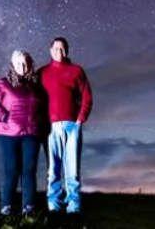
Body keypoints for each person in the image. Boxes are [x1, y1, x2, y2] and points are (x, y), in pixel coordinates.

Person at [0, 49, 47, 217]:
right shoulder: (3, 83)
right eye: (19, 62)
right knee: (11, 170)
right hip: (8, 135)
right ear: (13, 64)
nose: (23, 66)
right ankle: (6, 206)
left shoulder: (35, 85)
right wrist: (4, 117)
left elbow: (42, 108)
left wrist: (39, 125)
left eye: (26, 62)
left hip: (31, 134)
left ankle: (29, 207)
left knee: (29, 171)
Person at [38, 36, 93, 215]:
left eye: (62, 49)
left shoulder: (76, 71)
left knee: (72, 169)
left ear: (67, 51)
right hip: (50, 127)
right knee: (53, 169)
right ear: (50, 50)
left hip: (72, 125)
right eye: (55, 48)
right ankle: (54, 205)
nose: (58, 52)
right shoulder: (42, 73)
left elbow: (87, 96)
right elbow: (34, 99)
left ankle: (73, 206)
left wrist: (80, 119)